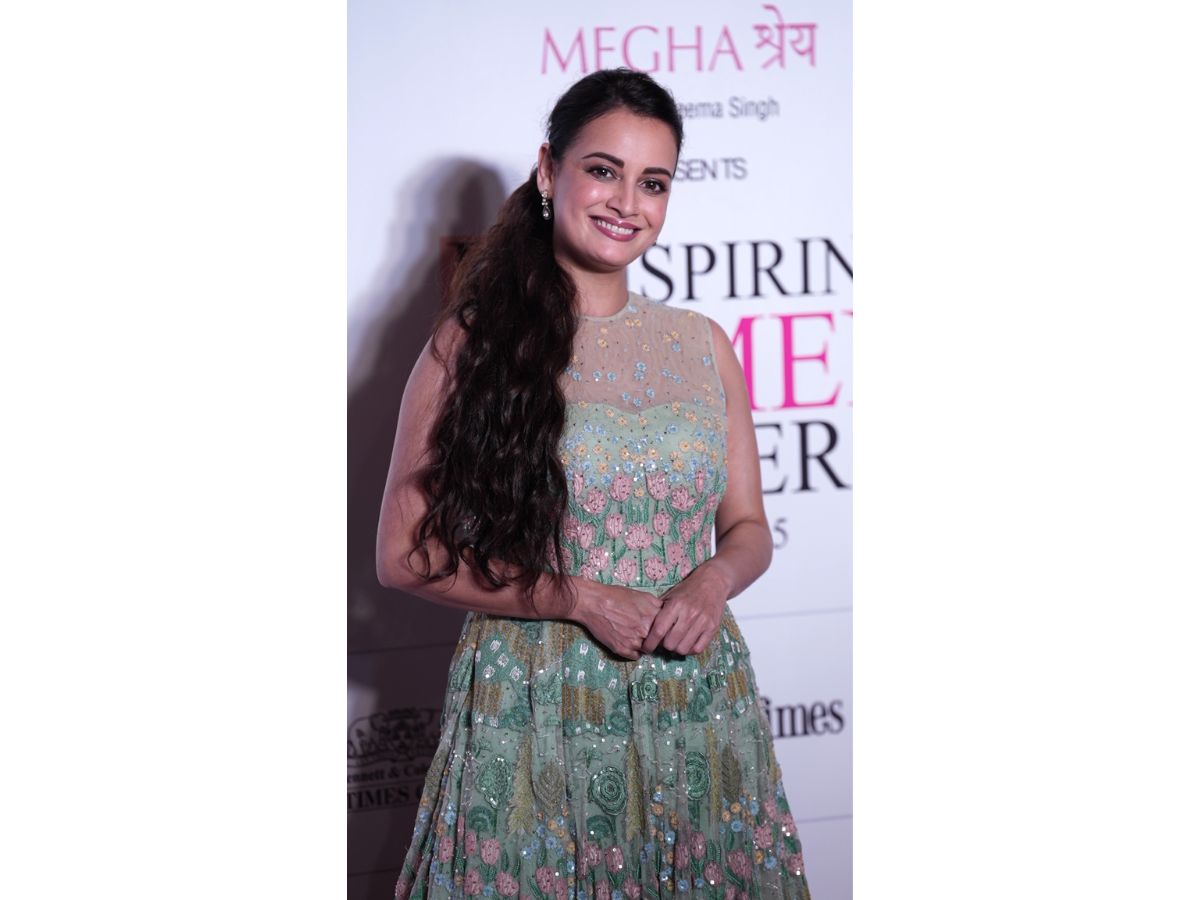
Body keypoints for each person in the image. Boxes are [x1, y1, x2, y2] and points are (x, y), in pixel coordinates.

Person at [376, 68, 812, 900]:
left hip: (693, 695)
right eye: (603, 170)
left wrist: (712, 582)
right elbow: (403, 555)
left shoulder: (703, 344)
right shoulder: (471, 344)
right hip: (535, 703)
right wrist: (577, 598)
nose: (627, 202)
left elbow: (748, 529)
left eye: (653, 182)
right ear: (549, 170)